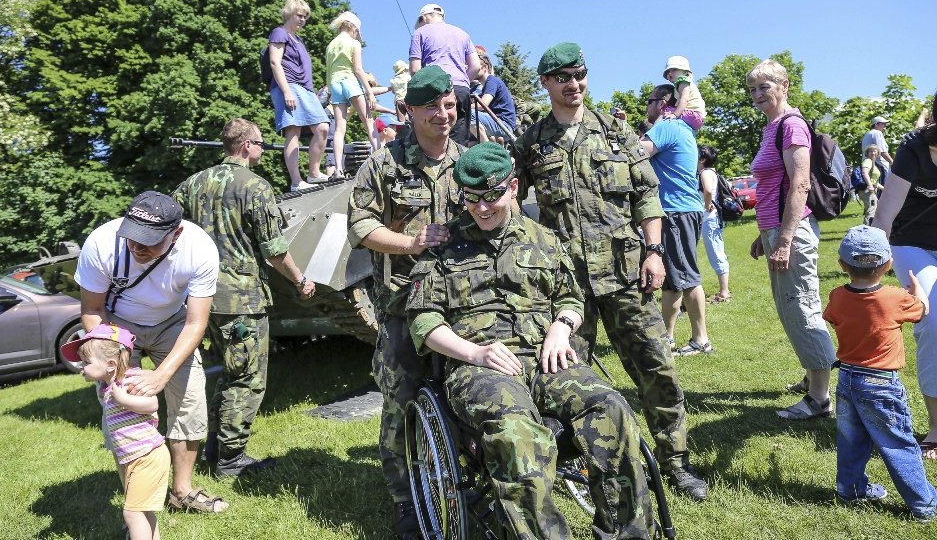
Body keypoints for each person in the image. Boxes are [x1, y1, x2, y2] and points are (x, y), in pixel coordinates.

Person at [407, 142, 653, 539]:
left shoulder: (545, 239)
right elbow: (422, 320)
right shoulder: (441, 247)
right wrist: (475, 352)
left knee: (611, 407)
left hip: (548, 356)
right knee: (517, 431)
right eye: (472, 198)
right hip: (479, 367)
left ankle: (626, 533)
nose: (483, 207)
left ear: (514, 187)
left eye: (492, 195)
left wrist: (561, 326)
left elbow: (572, 297)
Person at [513, 42, 709, 501]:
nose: (573, 85)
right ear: (546, 84)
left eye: (579, 75)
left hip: (625, 274)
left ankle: (675, 462)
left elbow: (646, 193)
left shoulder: (615, 131)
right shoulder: (531, 142)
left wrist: (655, 251)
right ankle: (581, 462)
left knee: (656, 367)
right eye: (562, 78)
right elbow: (507, 199)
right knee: (564, 374)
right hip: (566, 284)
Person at [346, 65, 468, 537]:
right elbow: (361, 227)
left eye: (450, 105)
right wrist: (411, 243)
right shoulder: (383, 164)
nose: (443, 114)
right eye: (432, 107)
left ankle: (466, 480)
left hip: (463, 304)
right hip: (403, 304)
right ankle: (406, 501)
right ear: (409, 110)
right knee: (401, 403)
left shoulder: (469, 161)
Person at [172, 118, 317, 478]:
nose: (263, 150)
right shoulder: (255, 186)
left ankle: (214, 448)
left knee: (227, 372)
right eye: (261, 144)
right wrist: (300, 279)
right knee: (247, 378)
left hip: (201, 298)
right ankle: (231, 459)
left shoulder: (192, 184)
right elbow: (273, 248)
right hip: (242, 300)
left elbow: (167, 226)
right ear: (246, 145)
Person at [75, 191, 226, 512]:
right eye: (132, 237)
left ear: (177, 233)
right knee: (121, 408)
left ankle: (181, 492)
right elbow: (91, 309)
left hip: (173, 324)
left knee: (190, 399)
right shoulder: (101, 244)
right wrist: (111, 359)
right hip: (116, 325)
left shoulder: (200, 249)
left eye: (149, 241)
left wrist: (162, 374)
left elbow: (196, 323)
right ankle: (137, 500)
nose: (136, 247)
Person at [823, 225, 936, 520]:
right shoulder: (896, 298)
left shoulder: (836, 296)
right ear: (887, 265)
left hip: (847, 379)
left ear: (842, 265)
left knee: (851, 440)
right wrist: (919, 293)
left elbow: (832, 316)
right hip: (881, 385)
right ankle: (924, 505)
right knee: (898, 443)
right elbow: (921, 311)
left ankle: (850, 489)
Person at [746, 59, 837, 420]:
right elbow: (772, 186)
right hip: (776, 228)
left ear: (784, 85)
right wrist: (762, 233)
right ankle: (815, 376)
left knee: (801, 307)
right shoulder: (772, 127)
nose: (757, 95)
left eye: (764, 87)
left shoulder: (792, 126)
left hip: (792, 231)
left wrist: (783, 240)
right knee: (794, 306)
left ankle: (819, 400)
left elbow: (799, 184)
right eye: (752, 89)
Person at [62, 323, 175, 539]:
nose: (81, 367)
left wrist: (124, 399)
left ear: (111, 364)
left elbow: (152, 404)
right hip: (135, 457)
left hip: (148, 456)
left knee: (131, 513)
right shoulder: (109, 387)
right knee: (142, 510)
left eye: (86, 362)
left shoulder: (130, 380)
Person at [874, 102, 937, 459]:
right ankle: (936, 424)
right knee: (932, 317)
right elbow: (885, 213)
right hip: (912, 243)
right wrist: (875, 269)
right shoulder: (915, 148)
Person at [641, 84, 712, 356]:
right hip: (681, 210)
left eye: (649, 101)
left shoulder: (666, 126)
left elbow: (635, 155)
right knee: (672, 277)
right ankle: (667, 337)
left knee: (687, 276)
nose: (646, 107)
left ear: (661, 103)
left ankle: (701, 340)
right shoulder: (683, 128)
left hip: (676, 211)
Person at [267, 0, 331, 190]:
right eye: (299, 15)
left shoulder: (299, 39)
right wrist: (286, 91)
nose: (303, 19)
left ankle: (313, 173)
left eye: (305, 17)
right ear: (289, 13)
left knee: (322, 128)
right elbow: (274, 62)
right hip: (289, 86)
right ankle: (296, 181)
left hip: (306, 90)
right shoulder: (280, 33)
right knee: (293, 131)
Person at [408, 3, 482, 144]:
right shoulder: (462, 33)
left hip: (433, 91)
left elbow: (415, 69)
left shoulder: (420, 33)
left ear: (423, 18)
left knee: (432, 137)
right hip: (461, 89)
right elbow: (476, 66)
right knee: (459, 140)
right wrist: (463, 81)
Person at [326, 11, 377, 171]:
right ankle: (381, 160)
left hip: (334, 84)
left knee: (340, 129)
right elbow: (358, 69)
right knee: (369, 123)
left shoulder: (331, 45)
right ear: (354, 28)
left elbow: (328, 71)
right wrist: (369, 92)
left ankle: (338, 169)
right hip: (350, 83)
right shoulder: (353, 43)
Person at [698, 145, 732, 303]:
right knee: (716, 251)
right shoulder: (710, 172)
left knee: (716, 252)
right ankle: (723, 290)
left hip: (710, 219)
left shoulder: (705, 172)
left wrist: (707, 204)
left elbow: (709, 190)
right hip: (710, 219)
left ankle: (724, 292)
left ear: (702, 159)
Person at [471, 52, 517, 139]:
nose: (472, 69)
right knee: (470, 140)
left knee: (469, 114)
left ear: (485, 67)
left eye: (476, 67)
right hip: (496, 123)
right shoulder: (485, 86)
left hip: (503, 125)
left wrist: (462, 107)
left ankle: (487, 148)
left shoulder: (492, 81)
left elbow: (483, 105)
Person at [662, 56, 706, 132]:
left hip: (693, 115)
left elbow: (684, 99)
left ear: (685, 72)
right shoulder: (684, 83)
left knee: (666, 111)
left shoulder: (683, 81)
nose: (670, 73)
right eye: (668, 71)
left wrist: (674, 114)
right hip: (696, 117)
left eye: (674, 70)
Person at [862, 115, 894, 182]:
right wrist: (893, 162)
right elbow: (882, 152)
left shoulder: (867, 134)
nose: (885, 126)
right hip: (878, 165)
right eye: (884, 124)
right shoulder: (877, 133)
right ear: (876, 124)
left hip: (868, 165)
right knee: (881, 190)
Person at [859, 144, 884, 225]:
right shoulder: (868, 161)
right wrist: (870, 185)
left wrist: (884, 189)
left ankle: (871, 228)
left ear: (878, 153)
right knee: (871, 210)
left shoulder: (873, 163)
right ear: (867, 153)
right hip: (868, 190)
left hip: (871, 189)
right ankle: (866, 230)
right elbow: (864, 172)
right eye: (871, 151)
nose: (873, 153)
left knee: (875, 209)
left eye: (874, 151)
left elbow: (874, 182)